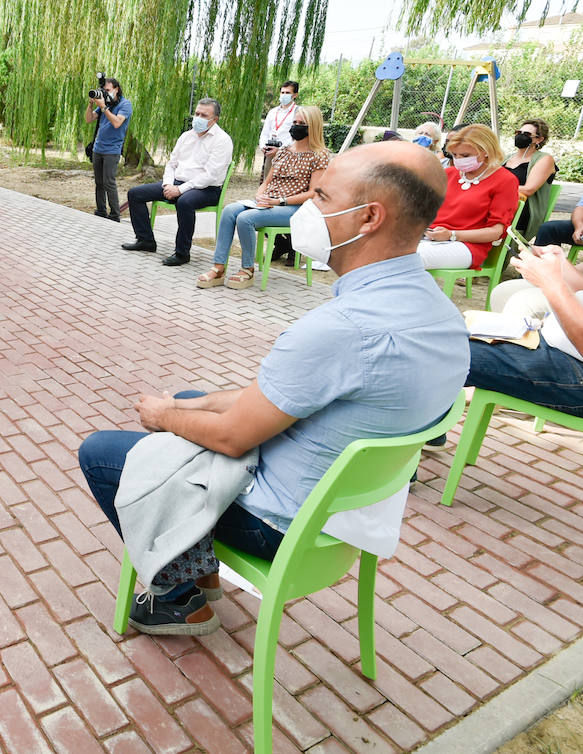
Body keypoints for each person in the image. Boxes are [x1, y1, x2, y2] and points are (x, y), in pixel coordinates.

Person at [79, 142, 468, 634]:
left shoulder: (343, 328)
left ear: (370, 217)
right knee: (197, 398)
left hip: (280, 523)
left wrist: (163, 416)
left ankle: (180, 599)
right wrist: (187, 405)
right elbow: (288, 394)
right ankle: (196, 567)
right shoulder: (443, 316)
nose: (306, 209)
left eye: (322, 197)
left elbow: (233, 439)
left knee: (103, 453)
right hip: (352, 511)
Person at [466, 147, 583, 426]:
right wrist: (563, 269)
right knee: (452, 336)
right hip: (573, 359)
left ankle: (402, 449)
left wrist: (551, 284)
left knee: (443, 352)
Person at [198, 105, 330, 289]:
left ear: (313, 127)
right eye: (295, 122)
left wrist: (279, 201)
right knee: (229, 211)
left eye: (302, 124)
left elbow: (313, 194)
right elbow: (267, 182)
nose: (296, 126)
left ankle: (247, 270)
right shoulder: (284, 151)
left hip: (294, 208)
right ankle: (219, 268)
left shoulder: (319, 155)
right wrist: (260, 195)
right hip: (269, 201)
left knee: (245, 218)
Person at [121, 97, 232, 266]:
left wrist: (180, 191)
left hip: (206, 189)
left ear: (214, 119)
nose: (198, 118)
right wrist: (167, 184)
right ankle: (146, 241)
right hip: (176, 182)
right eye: (196, 113)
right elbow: (171, 164)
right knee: (135, 194)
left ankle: (182, 253)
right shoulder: (187, 136)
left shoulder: (222, 140)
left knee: (185, 202)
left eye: (204, 115)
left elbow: (209, 175)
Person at [417, 123, 519, 270]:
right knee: (381, 247)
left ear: (485, 151)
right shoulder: (449, 174)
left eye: (465, 156)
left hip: (468, 246)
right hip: (431, 237)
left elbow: (496, 231)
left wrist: (452, 235)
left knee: (411, 257)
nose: (459, 160)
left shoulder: (505, 180)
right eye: (455, 155)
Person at [258, 81, 300, 261]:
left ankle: (293, 247)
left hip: (289, 159)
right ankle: (280, 243)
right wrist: (263, 147)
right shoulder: (273, 112)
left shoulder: (299, 113)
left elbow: (297, 138)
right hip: (270, 156)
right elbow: (265, 132)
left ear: (295, 95)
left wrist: (281, 149)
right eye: (282, 92)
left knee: (284, 199)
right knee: (263, 199)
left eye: (287, 92)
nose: (284, 95)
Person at [84, 77, 132, 221]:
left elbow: (117, 123)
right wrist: (91, 105)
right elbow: (89, 119)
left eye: (108, 90)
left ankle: (114, 214)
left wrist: (104, 107)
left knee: (109, 182)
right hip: (98, 148)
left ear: (116, 89)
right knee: (99, 182)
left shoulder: (125, 104)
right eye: (103, 90)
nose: (105, 93)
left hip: (112, 150)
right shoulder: (104, 104)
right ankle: (101, 211)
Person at [504, 118, 557, 241]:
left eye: (527, 134)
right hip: (500, 204)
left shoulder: (544, 159)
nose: (521, 136)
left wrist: (496, 190)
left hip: (522, 209)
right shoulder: (506, 158)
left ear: (539, 139)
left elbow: (528, 190)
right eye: (518, 133)